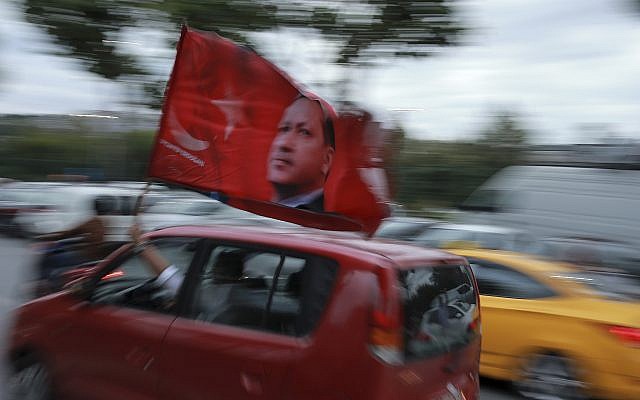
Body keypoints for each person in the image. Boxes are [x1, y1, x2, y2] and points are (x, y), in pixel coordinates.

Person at [266, 94, 335, 212]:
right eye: (284, 129)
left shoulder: (331, 225)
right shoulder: (248, 213)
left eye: (304, 132)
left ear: (326, 160)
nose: (283, 144)